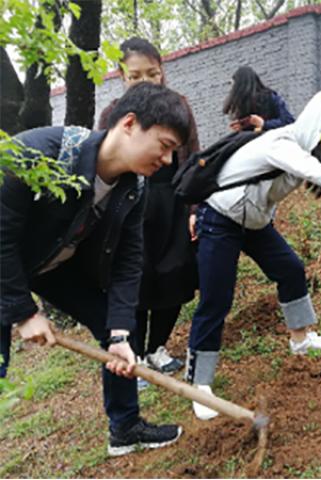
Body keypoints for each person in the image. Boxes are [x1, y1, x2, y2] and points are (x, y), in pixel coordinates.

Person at [187, 91, 321, 420]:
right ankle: (198, 385)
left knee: (290, 269)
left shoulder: (301, 148)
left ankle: (301, 340)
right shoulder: (284, 143)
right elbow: (318, 173)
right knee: (217, 299)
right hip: (220, 218)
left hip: (253, 222)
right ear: (317, 126)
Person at [0, 82, 190, 456]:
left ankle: (125, 429)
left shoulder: (132, 189)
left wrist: (119, 335)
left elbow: (127, 261)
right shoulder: (35, 155)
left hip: (50, 265)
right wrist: (23, 312)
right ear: (130, 124)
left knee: (117, 322)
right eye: (165, 146)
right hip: (6, 264)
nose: (167, 160)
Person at [98, 37, 200, 374]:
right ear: (121, 76)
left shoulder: (179, 107)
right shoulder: (113, 114)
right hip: (131, 208)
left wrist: (194, 208)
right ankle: (136, 354)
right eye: (135, 76)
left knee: (174, 276)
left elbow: (193, 160)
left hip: (172, 204)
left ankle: (158, 347)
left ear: (163, 71)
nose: (145, 82)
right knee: (136, 280)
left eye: (152, 74)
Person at [223, 65, 295, 133]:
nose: (232, 91)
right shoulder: (242, 105)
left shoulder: (270, 97)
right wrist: (241, 129)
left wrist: (263, 123)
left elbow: (289, 121)